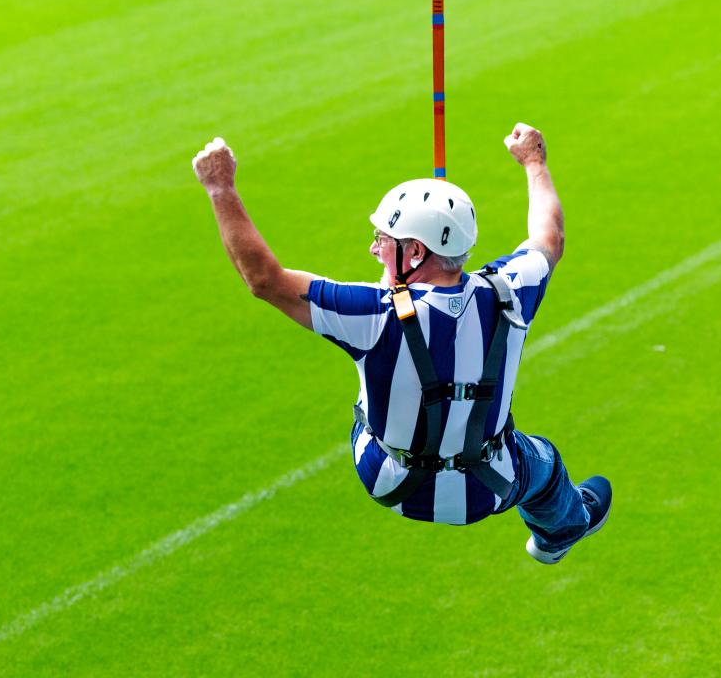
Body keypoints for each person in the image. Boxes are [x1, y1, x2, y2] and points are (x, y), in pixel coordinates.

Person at [192, 123, 611, 563]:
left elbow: (264, 280)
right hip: (492, 486)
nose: (374, 250)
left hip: (389, 480)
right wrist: (534, 163)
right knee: (543, 464)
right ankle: (561, 531)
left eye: (383, 240)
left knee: (374, 374)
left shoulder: (374, 313)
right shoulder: (512, 288)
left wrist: (221, 189)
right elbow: (550, 237)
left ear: (415, 253)